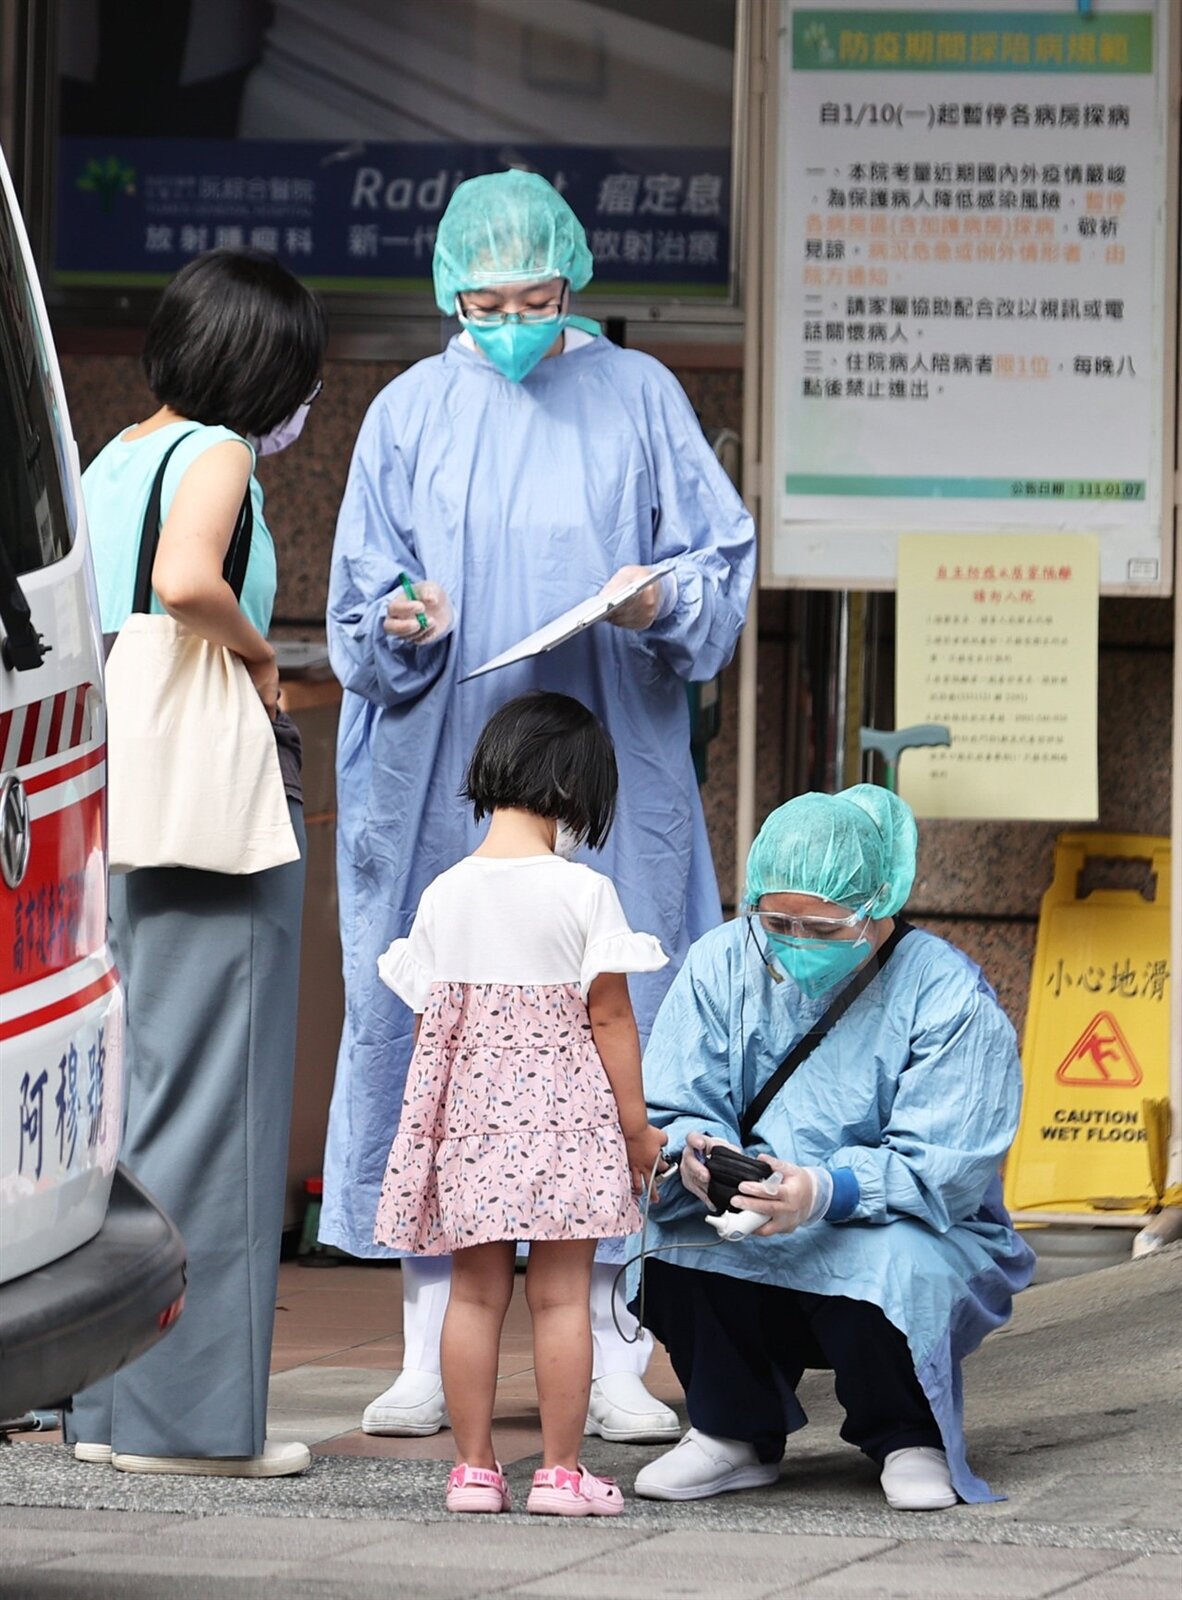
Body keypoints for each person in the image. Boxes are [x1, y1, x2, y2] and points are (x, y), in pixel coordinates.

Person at [322, 168, 754, 1443]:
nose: (509, 322)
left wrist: (656, 599)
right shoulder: (406, 412)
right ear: (447, 291)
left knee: (612, 1028)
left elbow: (715, 573)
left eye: (536, 299)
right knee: (431, 1038)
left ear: (575, 282)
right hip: (445, 775)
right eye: (484, 301)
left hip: (606, 757)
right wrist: (400, 618)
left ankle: (616, 1341)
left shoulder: (641, 398)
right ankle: (423, 1342)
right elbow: (359, 609)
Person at [65, 249, 326, 1477]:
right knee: (219, 1104)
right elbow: (185, 582)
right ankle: (189, 1425)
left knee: (136, 1102)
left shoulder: (116, 452)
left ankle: (108, 1410)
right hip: (207, 797)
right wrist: (264, 658)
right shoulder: (217, 451)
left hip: (120, 795)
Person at [632, 785, 1036, 1511]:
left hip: (892, 1219)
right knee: (672, 1241)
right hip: (753, 1212)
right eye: (775, 920)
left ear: (877, 907)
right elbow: (676, 1100)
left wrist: (825, 1192)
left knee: (892, 1261)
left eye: (821, 928)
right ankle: (733, 1431)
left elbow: (946, 1165)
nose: (793, 942)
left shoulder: (945, 995)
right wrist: (697, 1160)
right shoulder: (722, 961)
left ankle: (909, 1435)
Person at [374, 692, 668, 1514]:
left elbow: (434, 1021)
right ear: (576, 792)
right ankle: (561, 1475)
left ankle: (473, 1472)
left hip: (471, 1128)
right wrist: (637, 1129)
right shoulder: (582, 894)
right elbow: (609, 1016)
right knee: (561, 1298)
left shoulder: (444, 894)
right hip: (568, 1126)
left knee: (473, 1294)